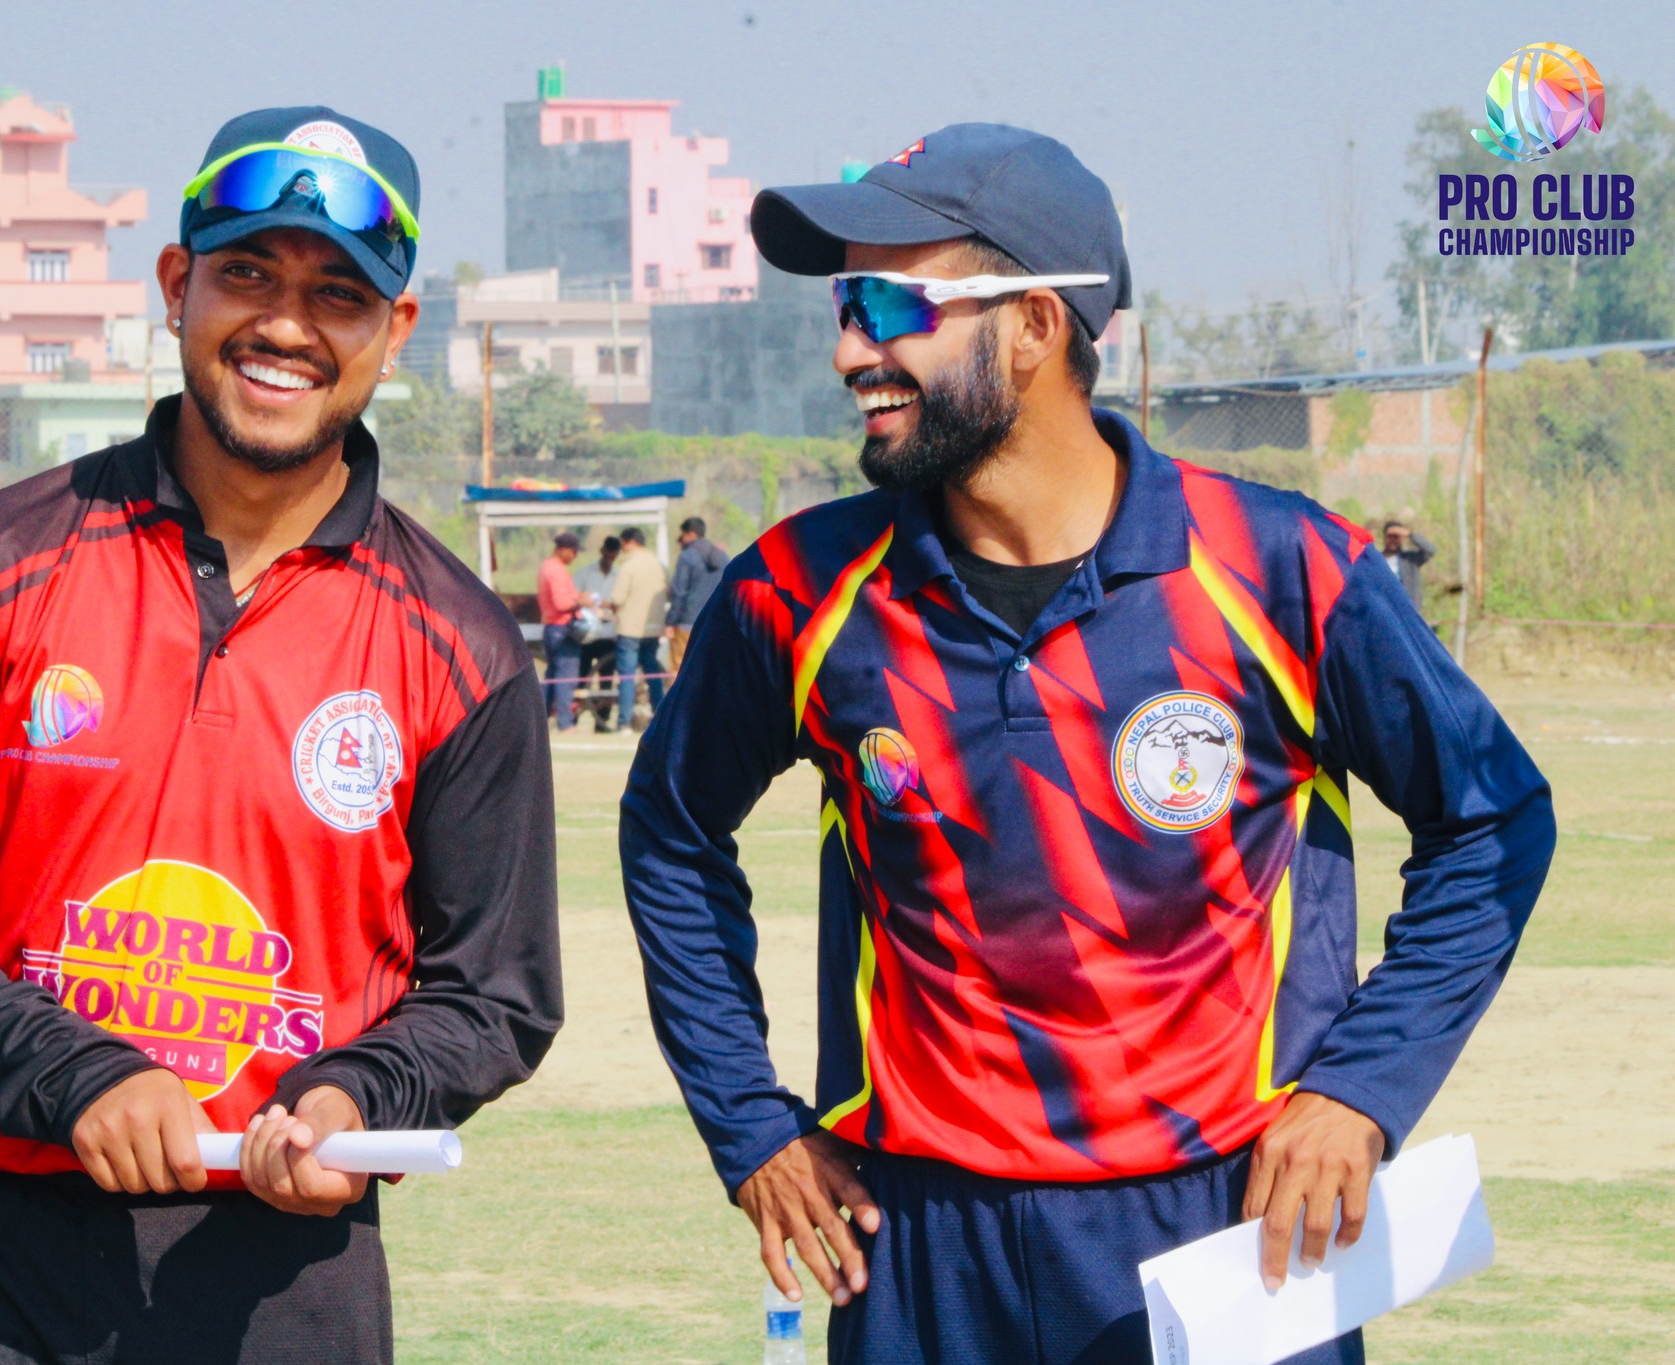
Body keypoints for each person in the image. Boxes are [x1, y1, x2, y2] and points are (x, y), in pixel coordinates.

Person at [618, 123, 1553, 1365]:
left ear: (1034, 325)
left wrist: (1358, 1091)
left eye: (890, 305)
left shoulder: (1278, 568)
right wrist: (748, 1124)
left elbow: (1492, 817)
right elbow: (669, 832)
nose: (849, 349)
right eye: (845, 306)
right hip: (919, 1247)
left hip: (1228, 1230)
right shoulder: (797, 590)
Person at [0, 105, 563, 1364]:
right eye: (248, 275)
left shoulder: (463, 648)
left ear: (394, 331)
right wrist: (77, 1075)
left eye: (337, 294)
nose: (286, 326)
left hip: (274, 1280)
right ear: (176, 286)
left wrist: (354, 1095)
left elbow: (494, 993)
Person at [608, 525, 668, 733]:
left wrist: (609, 607)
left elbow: (618, 598)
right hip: (653, 628)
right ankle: (660, 717)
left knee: (627, 676)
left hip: (630, 629)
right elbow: (669, 591)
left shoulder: (629, 566)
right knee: (653, 674)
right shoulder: (658, 565)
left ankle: (624, 722)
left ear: (630, 542)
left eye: (623, 544)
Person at [538, 530, 589, 732]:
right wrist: (581, 601)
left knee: (552, 676)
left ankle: (541, 720)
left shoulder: (546, 567)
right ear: (563, 550)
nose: (575, 556)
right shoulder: (557, 570)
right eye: (574, 551)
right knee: (566, 677)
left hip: (551, 628)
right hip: (562, 628)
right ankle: (565, 723)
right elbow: (561, 603)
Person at [663, 515, 728, 673]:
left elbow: (679, 593)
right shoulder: (723, 557)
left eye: (683, 535)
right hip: (715, 623)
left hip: (687, 624)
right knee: (710, 670)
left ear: (690, 534)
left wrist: (670, 622)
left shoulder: (687, 556)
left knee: (680, 669)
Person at [575, 535, 624, 733]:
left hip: (609, 634)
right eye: (607, 554)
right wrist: (590, 607)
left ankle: (602, 721)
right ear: (602, 551)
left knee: (606, 680)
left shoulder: (620, 576)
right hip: (588, 635)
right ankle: (574, 718)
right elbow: (574, 597)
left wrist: (608, 609)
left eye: (613, 555)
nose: (609, 558)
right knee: (581, 678)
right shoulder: (585, 573)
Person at [1382, 519, 1436, 609]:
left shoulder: (1410, 559)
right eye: (1390, 537)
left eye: (1396, 537)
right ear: (1384, 538)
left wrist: (1410, 534)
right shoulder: (1377, 560)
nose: (1393, 540)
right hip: (1385, 609)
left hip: (1408, 609)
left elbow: (1431, 550)